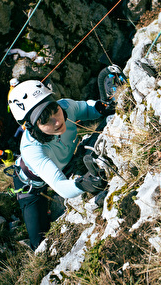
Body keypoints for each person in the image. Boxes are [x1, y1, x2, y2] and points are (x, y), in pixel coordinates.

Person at [7, 80, 113, 250]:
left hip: (64, 164)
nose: (57, 121)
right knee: (39, 243)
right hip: (30, 186)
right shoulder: (32, 149)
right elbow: (61, 186)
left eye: (55, 110)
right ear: (32, 127)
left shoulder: (65, 107)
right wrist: (84, 183)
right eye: (46, 121)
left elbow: (86, 109)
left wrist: (102, 107)